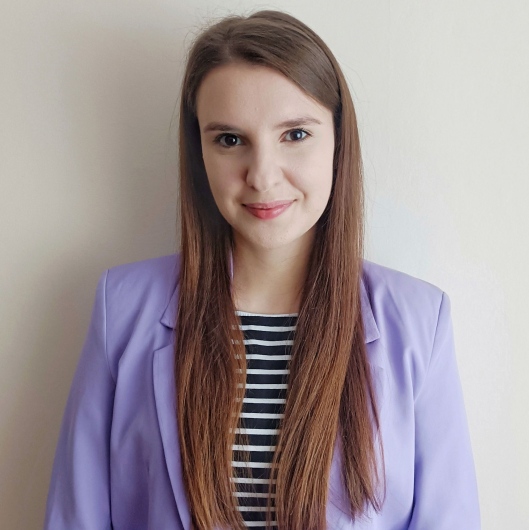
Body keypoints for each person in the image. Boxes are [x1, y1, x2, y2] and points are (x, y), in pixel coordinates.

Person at [43, 9, 480, 530]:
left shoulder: (420, 320)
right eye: (230, 140)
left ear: (338, 141)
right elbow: (77, 517)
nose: (263, 176)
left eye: (295, 134)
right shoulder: (122, 307)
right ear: (199, 151)